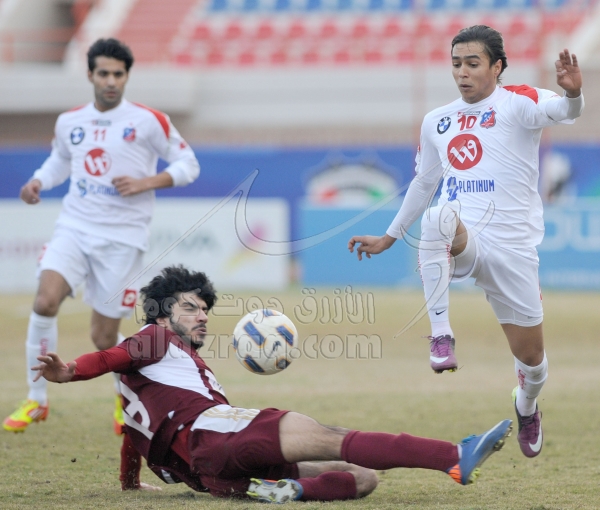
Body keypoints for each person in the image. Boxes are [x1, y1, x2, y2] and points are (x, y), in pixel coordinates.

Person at [32, 266, 513, 502]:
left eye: (204, 309)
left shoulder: (155, 373)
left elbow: (136, 428)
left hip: (214, 476)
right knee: (329, 434)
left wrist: (129, 483)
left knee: (362, 477)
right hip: (214, 437)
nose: (202, 316)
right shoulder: (154, 338)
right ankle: (453, 457)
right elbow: (108, 357)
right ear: (160, 314)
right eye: (189, 308)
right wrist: (70, 371)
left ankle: (286, 492)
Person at [348, 25, 584, 460]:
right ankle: (441, 336)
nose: (462, 72)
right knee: (437, 216)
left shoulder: (519, 101)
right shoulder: (437, 120)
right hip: (465, 239)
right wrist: (389, 237)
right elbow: (424, 183)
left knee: (533, 364)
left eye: (473, 63)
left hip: (513, 251)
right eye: (456, 63)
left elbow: (566, 111)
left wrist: (572, 93)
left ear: (497, 66)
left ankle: (526, 404)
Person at [3, 38, 200, 434]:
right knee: (44, 301)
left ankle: (123, 393)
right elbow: (60, 160)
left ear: (127, 76)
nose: (111, 81)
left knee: (103, 335)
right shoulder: (70, 121)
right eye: (104, 73)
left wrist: (147, 181)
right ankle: (36, 399)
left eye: (118, 74)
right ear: (90, 74)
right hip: (74, 228)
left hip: (123, 240)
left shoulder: (149, 120)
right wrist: (39, 181)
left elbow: (188, 164)